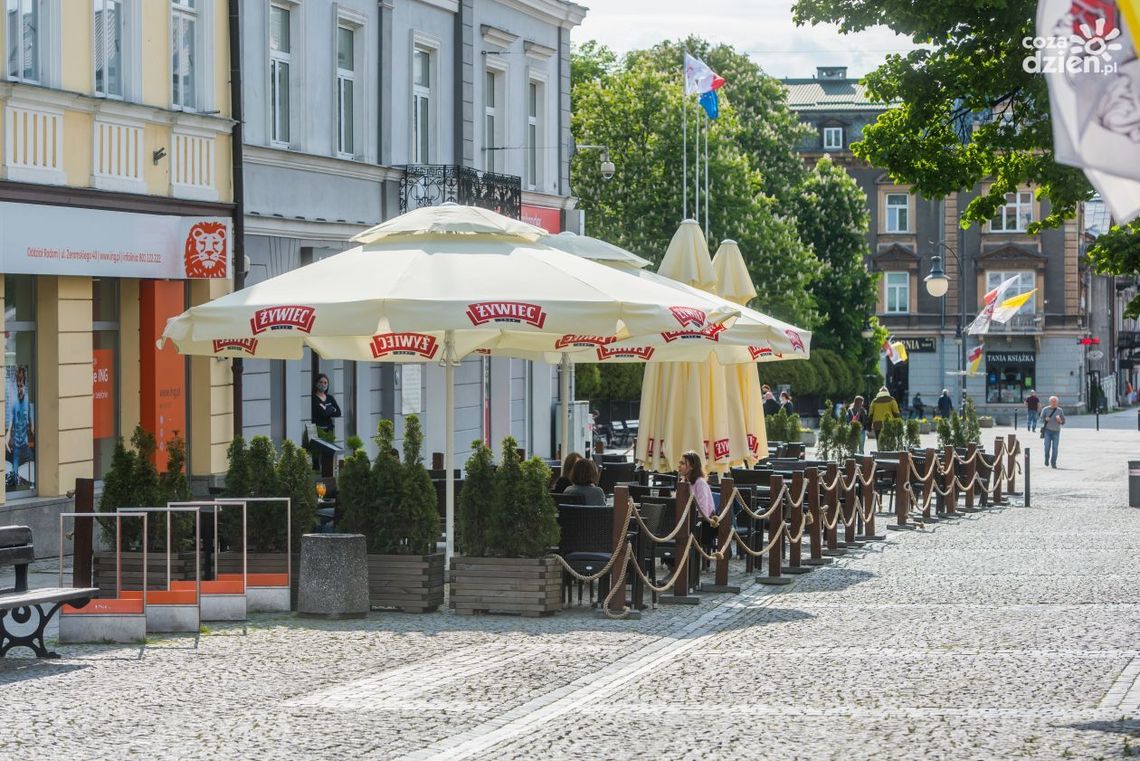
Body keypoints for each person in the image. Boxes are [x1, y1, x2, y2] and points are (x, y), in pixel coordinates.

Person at [6, 366, 33, 488]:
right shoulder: (14, 403)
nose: (19, 389)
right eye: (17, 386)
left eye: (21, 386)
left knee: (33, 471)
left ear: (24, 385)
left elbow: (32, 425)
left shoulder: (28, 402)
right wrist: (7, 438)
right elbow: (11, 422)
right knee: (14, 476)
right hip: (16, 448)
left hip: (26, 447)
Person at [310, 373, 342, 469]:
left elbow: (338, 412)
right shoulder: (313, 398)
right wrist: (331, 409)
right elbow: (321, 413)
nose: (323, 384)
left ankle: (327, 476)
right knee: (316, 456)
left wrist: (327, 409)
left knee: (328, 455)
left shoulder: (330, 398)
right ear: (316, 383)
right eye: (321, 382)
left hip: (328, 430)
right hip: (316, 430)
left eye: (325, 382)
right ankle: (317, 474)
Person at [677, 450, 715, 522]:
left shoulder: (700, 483)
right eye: (679, 463)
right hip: (688, 521)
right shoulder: (684, 482)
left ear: (692, 466)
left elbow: (703, 511)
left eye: (682, 463)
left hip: (703, 525)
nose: (679, 465)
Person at [1039, 396, 1066, 469]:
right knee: (1047, 447)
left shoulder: (1060, 410)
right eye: (1053, 401)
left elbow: (1063, 422)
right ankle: (1046, 458)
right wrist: (1045, 419)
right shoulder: (1045, 409)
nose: (1054, 403)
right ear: (1049, 402)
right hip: (1047, 431)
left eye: (1055, 402)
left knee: (1055, 448)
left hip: (1056, 432)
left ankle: (1053, 462)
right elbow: (1040, 419)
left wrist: (1060, 421)